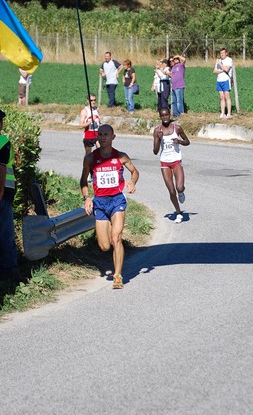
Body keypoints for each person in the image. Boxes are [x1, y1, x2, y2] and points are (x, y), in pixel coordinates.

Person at [80, 124, 139, 289]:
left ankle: (118, 276)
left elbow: (135, 172)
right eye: (100, 134)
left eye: (106, 134)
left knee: (116, 238)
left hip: (117, 200)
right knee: (104, 246)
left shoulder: (120, 156)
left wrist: (132, 183)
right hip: (100, 202)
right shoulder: (90, 158)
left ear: (113, 137)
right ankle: (114, 261)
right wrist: (86, 198)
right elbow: (83, 181)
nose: (102, 137)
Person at [0, 108, 20, 280]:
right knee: (5, 235)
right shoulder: (2, 141)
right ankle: (9, 272)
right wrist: (0, 190)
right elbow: (1, 166)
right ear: (0, 123)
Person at [153, 107, 190, 224]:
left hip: (176, 160)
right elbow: (155, 151)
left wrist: (179, 141)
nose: (165, 117)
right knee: (171, 190)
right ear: (160, 117)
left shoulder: (177, 128)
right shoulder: (157, 130)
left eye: (166, 115)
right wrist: (158, 139)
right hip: (165, 162)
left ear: (169, 115)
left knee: (179, 188)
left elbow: (187, 142)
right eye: (162, 116)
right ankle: (178, 212)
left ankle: (182, 192)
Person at [213, 47, 233, 119]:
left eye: (223, 53)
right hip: (219, 80)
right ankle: (222, 113)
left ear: (226, 53)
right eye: (221, 53)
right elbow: (214, 71)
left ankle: (229, 113)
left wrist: (220, 64)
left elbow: (227, 69)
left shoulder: (229, 60)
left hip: (226, 80)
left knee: (227, 96)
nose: (222, 54)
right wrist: (221, 70)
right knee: (221, 97)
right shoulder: (218, 60)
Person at [170, 54, 186, 118]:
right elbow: (172, 76)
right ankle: (175, 114)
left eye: (177, 59)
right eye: (174, 59)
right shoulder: (173, 67)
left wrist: (178, 56)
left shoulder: (181, 66)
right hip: (173, 86)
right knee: (174, 101)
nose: (175, 60)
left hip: (179, 86)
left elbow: (184, 59)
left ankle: (181, 114)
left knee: (179, 101)